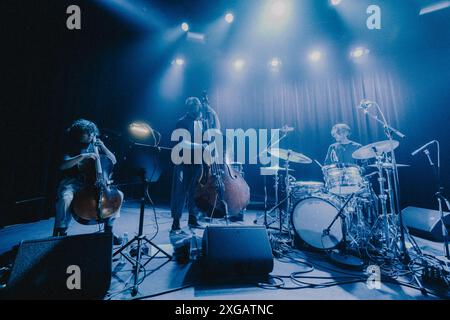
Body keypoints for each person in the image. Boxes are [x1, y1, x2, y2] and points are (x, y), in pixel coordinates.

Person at [53, 119, 123, 245]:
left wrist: (103, 147)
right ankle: (60, 231)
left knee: (119, 196)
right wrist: (82, 156)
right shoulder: (70, 144)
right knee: (65, 198)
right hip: (73, 181)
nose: (91, 136)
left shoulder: (96, 143)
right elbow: (62, 165)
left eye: (92, 133)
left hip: (97, 181)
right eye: (87, 133)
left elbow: (113, 160)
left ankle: (108, 232)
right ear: (78, 134)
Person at [170, 96, 221, 234]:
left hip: (197, 163)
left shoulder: (202, 122)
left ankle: (192, 218)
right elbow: (182, 142)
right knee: (179, 193)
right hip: (182, 162)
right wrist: (200, 145)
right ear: (191, 109)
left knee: (195, 192)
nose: (198, 111)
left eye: (199, 108)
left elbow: (216, 129)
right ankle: (176, 222)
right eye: (196, 109)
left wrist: (212, 111)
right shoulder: (181, 122)